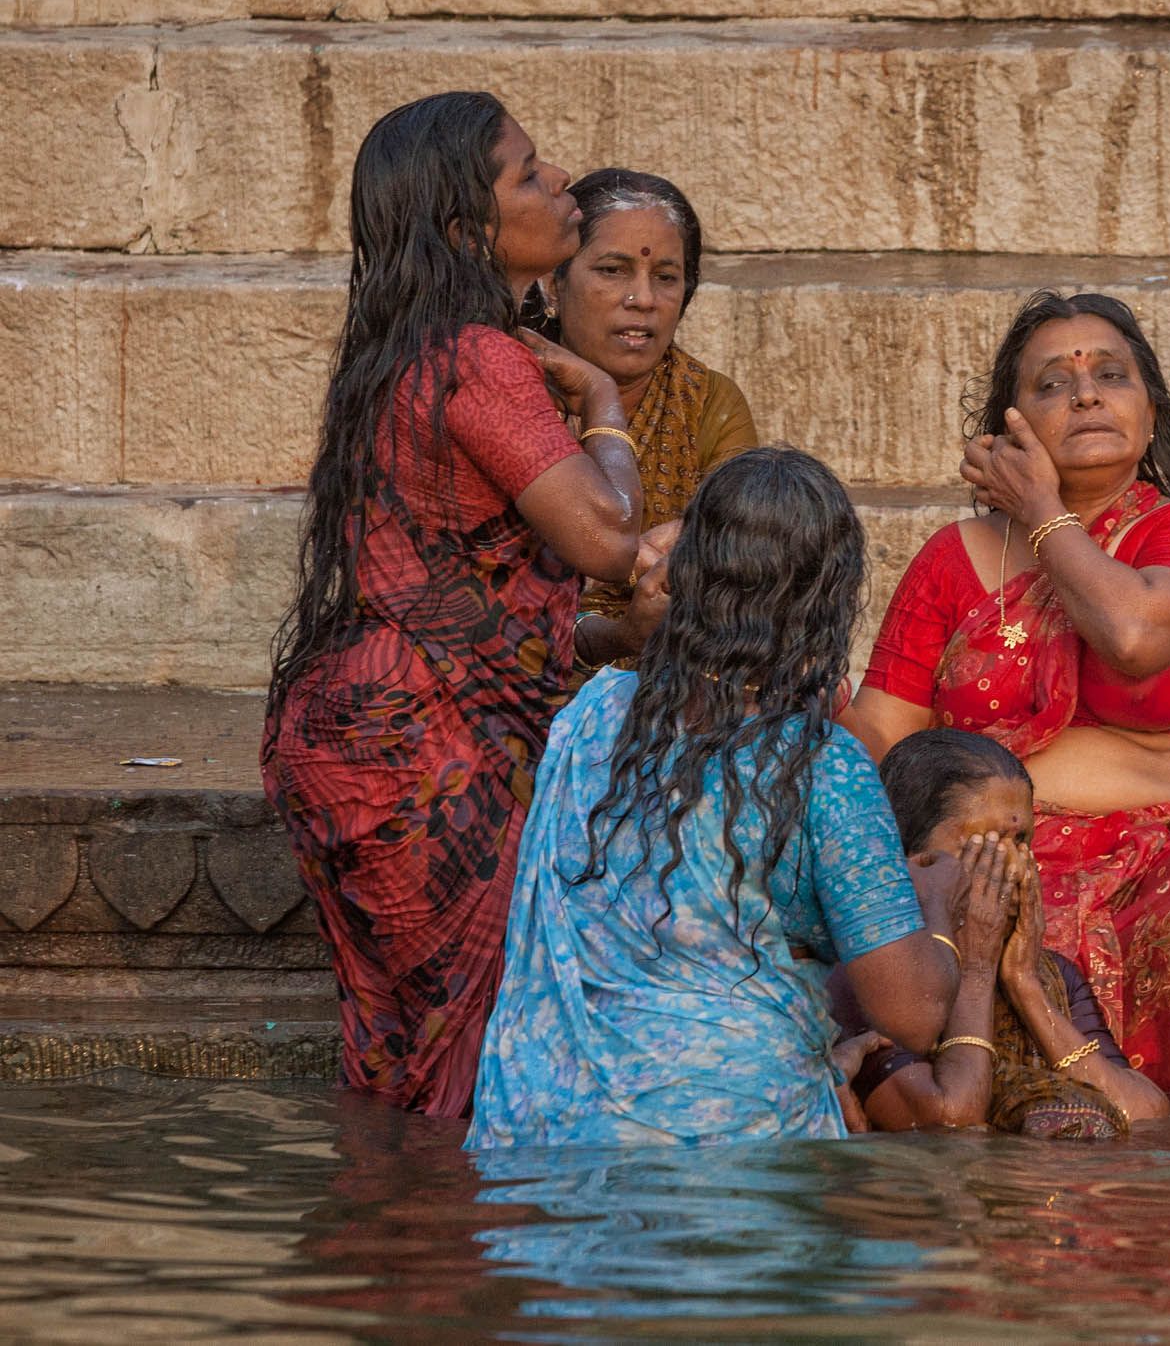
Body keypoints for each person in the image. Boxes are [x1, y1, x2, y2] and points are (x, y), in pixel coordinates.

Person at [262, 92, 645, 1118]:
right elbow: (605, 537)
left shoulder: (408, 352)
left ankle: (383, 1251)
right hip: (420, 750)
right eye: (526, 172)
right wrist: (607, 409)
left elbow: (465, 589)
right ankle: (438, 1258)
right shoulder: (476, 354)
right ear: (466, 228)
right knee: (462, 1058)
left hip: (362, 729)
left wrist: (608, 639)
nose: (559, 179)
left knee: (399, 1057)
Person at [847, 291, 1170, 1093]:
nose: (1085, 393)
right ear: (1009, 426)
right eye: (1052, 383)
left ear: (1151, 417)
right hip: (981, 860)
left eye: (1111, 375)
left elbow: (1133, 632)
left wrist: (1044, 511)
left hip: (1159, 864)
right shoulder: (955, 557)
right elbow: (881, 732)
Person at [469, 448, 958, 1148]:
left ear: (686, 574)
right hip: (733, 1128)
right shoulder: (819, 760)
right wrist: (940, 906)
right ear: (829, 598)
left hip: (540, 1117)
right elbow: (910, 1013)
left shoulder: (589, 716)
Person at [834, 729, 1170, 1137]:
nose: (1014, 869)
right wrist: (975, 970)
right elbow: (949, 1121)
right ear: (912, 855)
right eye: (985, 846)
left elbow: (1144, 1114)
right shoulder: (877, 975)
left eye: (1022, 842)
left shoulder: (1051, 976)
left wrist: (1025, 986)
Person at [543, 169, 759, 674]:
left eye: (665, 277)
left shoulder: (710, 403)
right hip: (514, 676)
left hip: (677, 681)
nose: (642, 299)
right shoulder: (505, 391)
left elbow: (744, 557)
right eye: (613, 270)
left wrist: (703, 543)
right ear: (553, 283)